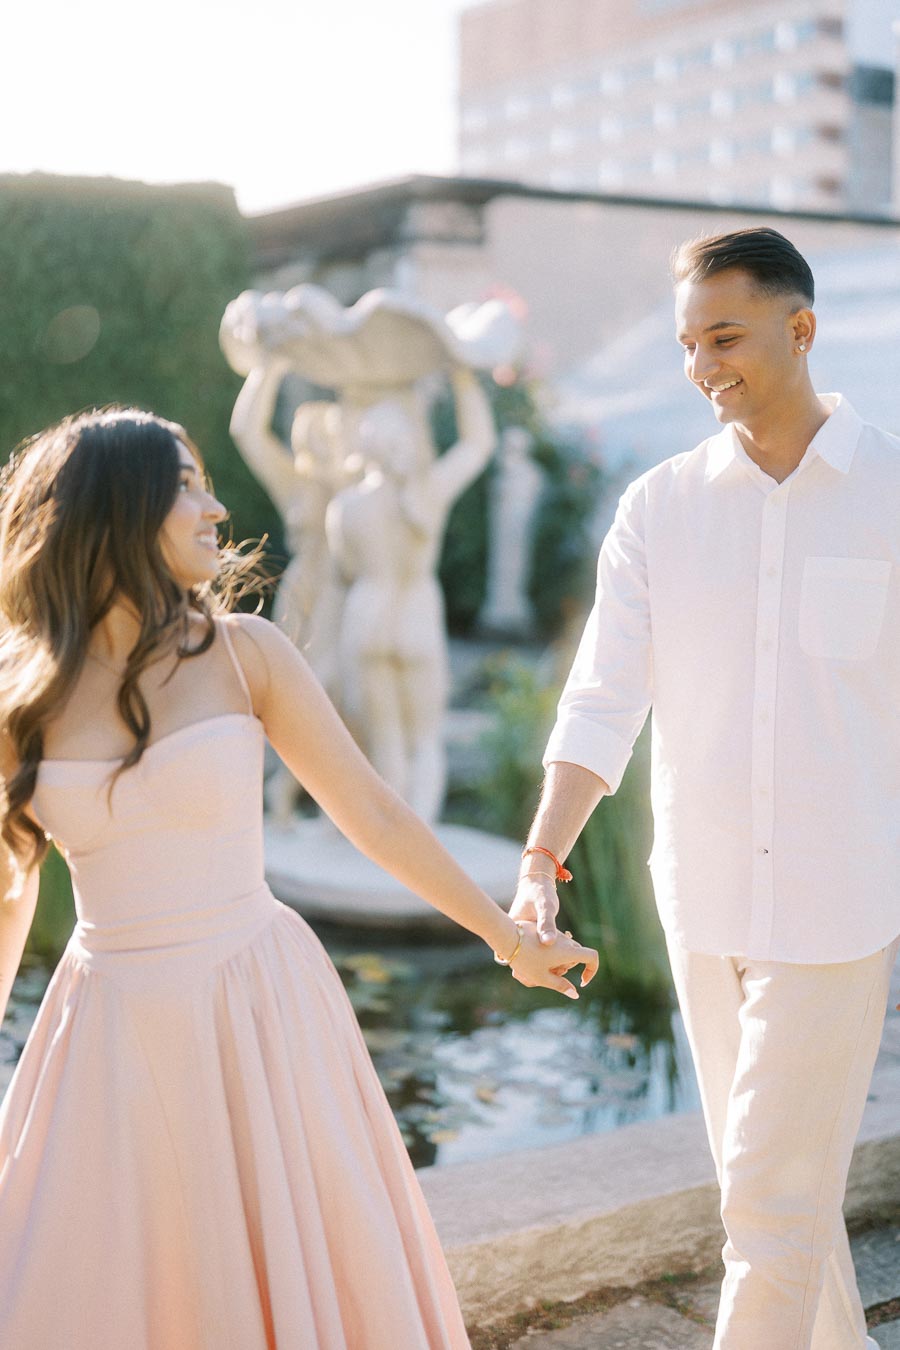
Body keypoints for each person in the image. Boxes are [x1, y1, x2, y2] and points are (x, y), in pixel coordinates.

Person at [0, 407, 598, 1350]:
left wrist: (509, 938)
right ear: (121, 509)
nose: (215, 504)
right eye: (188, 483)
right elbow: (12, 889)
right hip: (107, 1024)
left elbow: (379, 816)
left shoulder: (245, 655)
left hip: (255, 1001)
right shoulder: (24, 695)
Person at [510, 228, 898, 1349]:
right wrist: (540, 861)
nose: (700, 366)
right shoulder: (658, 510)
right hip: (705, 895)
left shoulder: (893, 491)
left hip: (841, 903)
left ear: (801, 328)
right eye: (687, 343)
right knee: (783, 1198)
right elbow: (599, 702)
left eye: (722, 336)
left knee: (768, 1211)